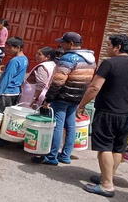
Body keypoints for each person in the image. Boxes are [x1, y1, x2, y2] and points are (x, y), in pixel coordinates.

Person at [78, 34, 128, 197]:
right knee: (117, 147)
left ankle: (107, 185)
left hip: (108, 112)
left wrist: (81, 105)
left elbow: (94, 88)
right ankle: (108, 177)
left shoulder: (109, 63)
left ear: (118, 47)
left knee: (104, 147)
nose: (107, 48)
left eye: (109, 45)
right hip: (127, 113)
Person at [34, 32, 96, 166]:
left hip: (63, 96)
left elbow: (58, 81)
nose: (61, 45)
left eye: (63, 42)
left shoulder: (68, 58)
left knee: (58, 125)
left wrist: (49, 98)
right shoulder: (90, 59)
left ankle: (52, 156)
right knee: (71, 125)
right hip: (77, 97)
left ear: (71, 44)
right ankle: (66, 155)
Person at [0, 37, 28, 113]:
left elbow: (6, 78)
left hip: (7, 93)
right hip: (15, 92)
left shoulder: (14, 61)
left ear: (17, 48)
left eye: (9, 48)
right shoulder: (25, 59)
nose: (7, 50)